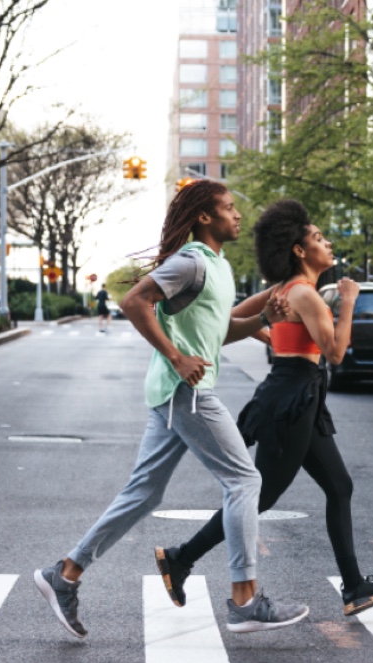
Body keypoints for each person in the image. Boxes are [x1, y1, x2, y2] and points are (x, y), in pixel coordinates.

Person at [34, 180, 309, 639]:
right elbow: (133, 301)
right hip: (187, 392)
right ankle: (245, 599)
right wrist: (175, 356)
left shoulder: (216, 267)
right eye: (228, 208)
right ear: (205, 217)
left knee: (144, 493)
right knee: (244, 479)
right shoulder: (190, 262)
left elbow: (217, 331)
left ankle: (64, 574)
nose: (237, 216)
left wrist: (263, 321)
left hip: (174, 393)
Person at [154, 199, 373, 617]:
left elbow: (227, 319)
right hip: (292, 398)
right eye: (319, 238)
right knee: (261, 496)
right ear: (300, 251)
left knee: (339, 486)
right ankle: (181, 557)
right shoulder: (303, 292)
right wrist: (348, 301)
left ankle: (354, 586)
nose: (327, 244)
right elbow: (336, 352)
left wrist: (267, 333)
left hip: (298, 393)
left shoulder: (281, 290)